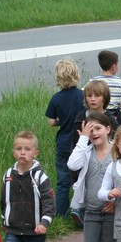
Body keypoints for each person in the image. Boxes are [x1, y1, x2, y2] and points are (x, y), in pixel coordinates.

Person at [69, 112, 119, 242]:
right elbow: (72, 165)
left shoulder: (117, 153)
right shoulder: (86, 151)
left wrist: (116, 202)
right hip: (91, 210)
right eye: (90, 130)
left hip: (112, 211)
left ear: (108, 129)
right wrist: (82, 139)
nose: (94, 133)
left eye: (98, 128)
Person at [44, 58, 85, 218]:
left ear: (57, 77)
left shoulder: (56, 98)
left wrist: (61, 120)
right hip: (80, 143)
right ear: (77, 75)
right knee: (81, 180)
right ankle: (80, 210)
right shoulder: (83, 96)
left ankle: (60, 213)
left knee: (63, 181)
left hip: (63, 144)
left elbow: (51, 121)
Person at [90, 49, 121, 127]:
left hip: (96, 114)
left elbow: (84, 95)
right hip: (114, 116)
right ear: (114, 66)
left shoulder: (93, 81)